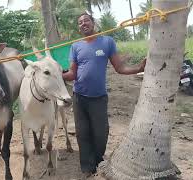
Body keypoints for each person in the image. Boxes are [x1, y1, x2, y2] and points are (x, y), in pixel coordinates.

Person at [62, 12, 146, 177]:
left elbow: (120, 68)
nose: (83, 23)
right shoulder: (76, 46)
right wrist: (54, 74)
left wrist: (139, 68)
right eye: (80, 22)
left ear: (93, 23)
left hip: (99, 98)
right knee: (82, 132)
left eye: (86, 20)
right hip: (79, 97)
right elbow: (72, 74)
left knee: (101, 133)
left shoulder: (107, 42)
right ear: (79, 28)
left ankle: (98, 161)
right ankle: (87, 168)